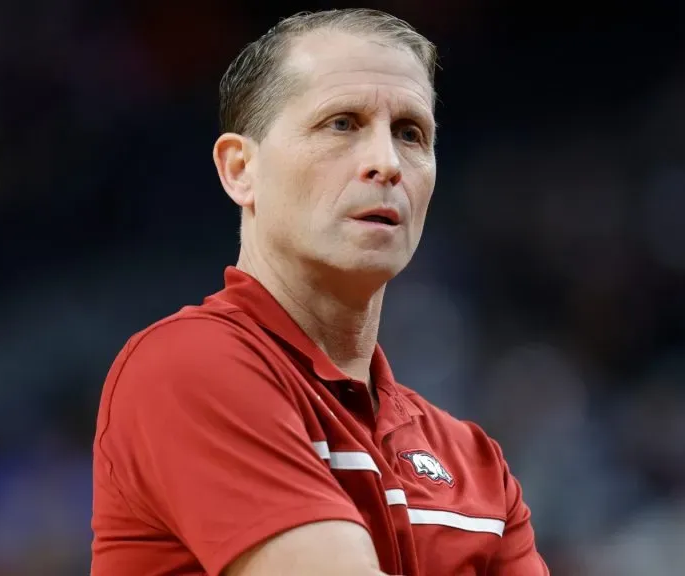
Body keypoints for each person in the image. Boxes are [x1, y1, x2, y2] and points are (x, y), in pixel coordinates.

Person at [90, 8, 549, 576]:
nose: (386, 163)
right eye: (342, 124)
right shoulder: (186, 368)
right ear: (240, 169)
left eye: (411, 133)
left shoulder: (477, 464)